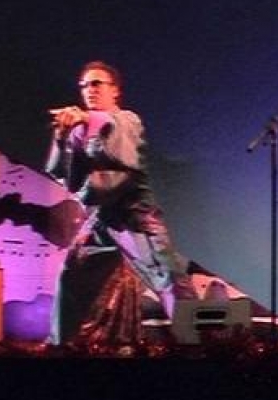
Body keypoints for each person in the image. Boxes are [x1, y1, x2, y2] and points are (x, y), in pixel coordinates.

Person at [45, 60, 196, 345]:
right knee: (72, 275)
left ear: (115, 90)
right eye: (84, 85)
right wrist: (62, 136)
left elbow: (120, 158)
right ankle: (59, 343)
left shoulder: (127, 120)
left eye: (96, 83)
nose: (89, 90)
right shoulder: (79, 129)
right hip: (102, 219)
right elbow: (64, 174)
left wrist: (86, 121)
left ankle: (198, 345)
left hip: (135, 216)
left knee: (169, 277)